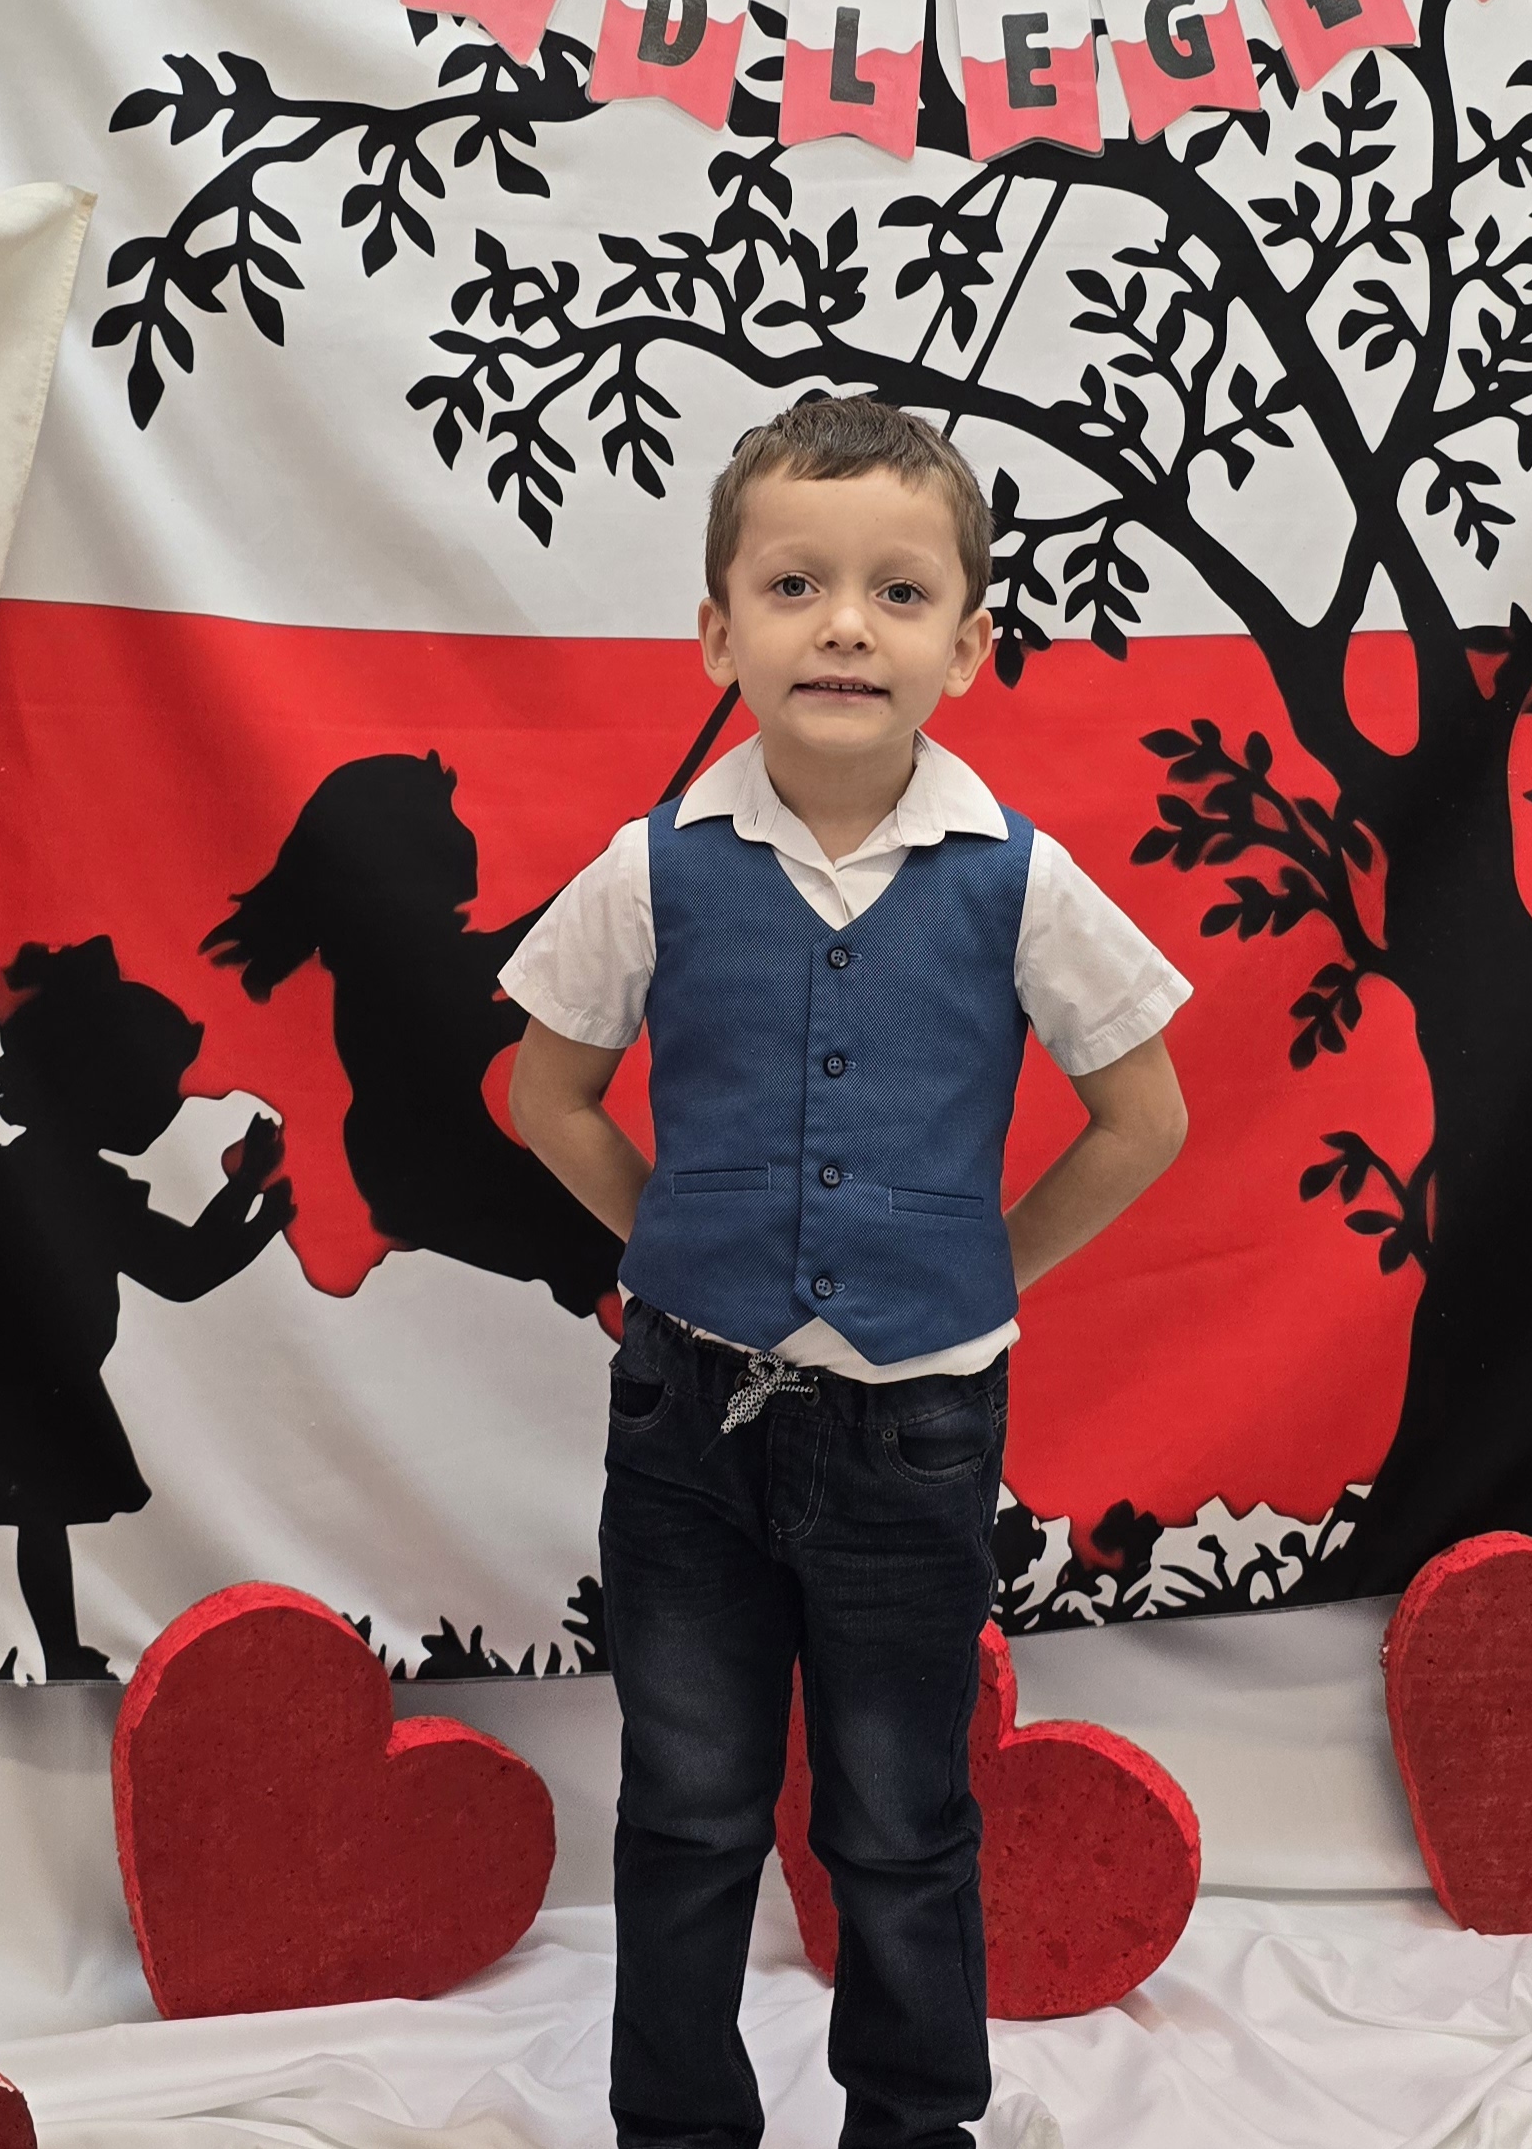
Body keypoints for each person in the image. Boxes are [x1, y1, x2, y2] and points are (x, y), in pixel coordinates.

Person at [501, 394, 1192, 2149]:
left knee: (897, 1814)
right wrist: (668, 1232)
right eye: (794, 583)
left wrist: (988, 1262)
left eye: (898, 592)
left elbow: (1144, 1115)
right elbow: (542, 1089)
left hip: (914, 1432)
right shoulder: (649, 867)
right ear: (716, 629)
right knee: (687, 1806)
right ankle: (679, 2127)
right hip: (684, 1423)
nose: (843, 627)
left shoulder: (1020, 880)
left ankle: (912, 2123)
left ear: (967, 645)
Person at [0, 936, 293, 1686]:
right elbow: (183, 1271)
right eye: (155, 1089)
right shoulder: (76, 1189)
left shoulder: (32, 1172)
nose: (166, 1106)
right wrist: (253, 1204)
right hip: (5, 1380)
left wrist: (246, 1198)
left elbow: (176, 1267)